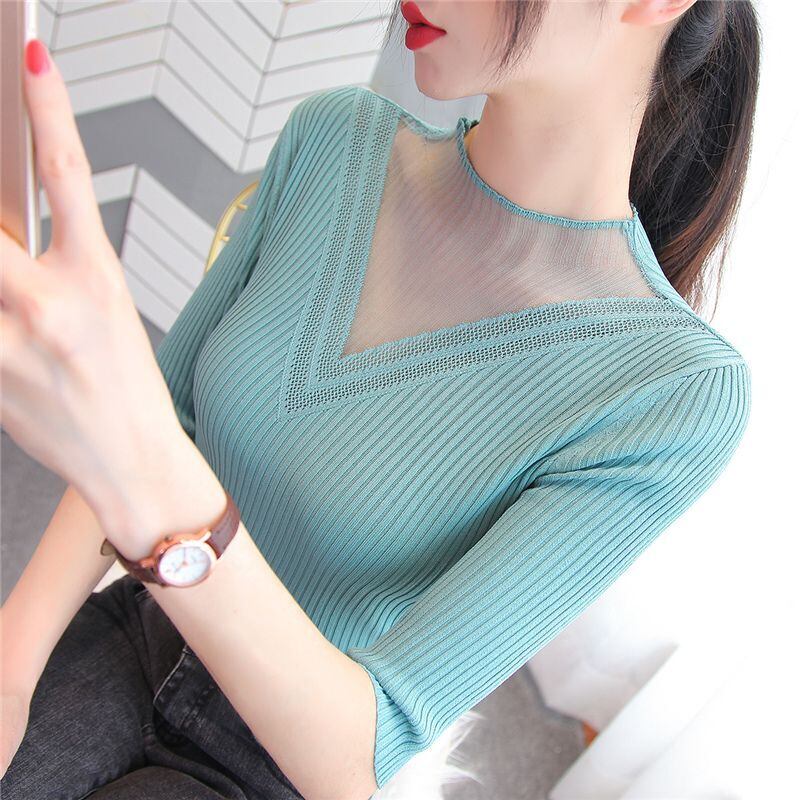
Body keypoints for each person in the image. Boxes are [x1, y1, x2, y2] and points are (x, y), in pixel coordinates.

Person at [0, 1, 760, 798]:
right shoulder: (337, 138)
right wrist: (12, 666)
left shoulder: (671, 393)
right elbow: (169, 413)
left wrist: (144, 473)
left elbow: (359, 754)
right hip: (142, 625)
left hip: (278, 760)